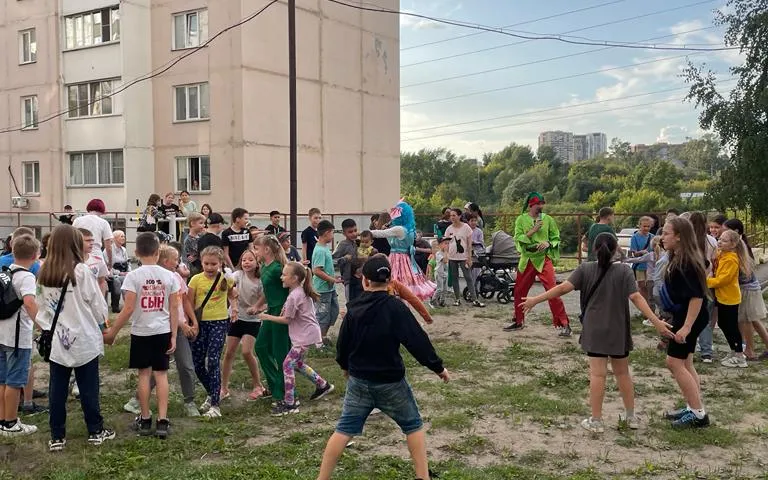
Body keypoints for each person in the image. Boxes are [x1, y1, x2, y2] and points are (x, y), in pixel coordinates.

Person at [521, 233, 674, 433]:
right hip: (618, 329)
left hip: (594, 329)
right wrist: (657, 322)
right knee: (623, 373)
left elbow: (562, 289)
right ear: (616, 249)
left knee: (597, 375)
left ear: (593, 249)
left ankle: (596, 420)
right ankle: (631, 417)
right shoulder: (624, 271)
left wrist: (535, 299)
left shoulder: (585, 269)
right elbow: (636, 297)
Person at [317, 255, 450, 480]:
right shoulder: (395, 307)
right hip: (391, 381)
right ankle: (422, 476)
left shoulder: (353, 309)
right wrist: (437, 368)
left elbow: (343, 344)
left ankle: (322, 478)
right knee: (413, 425)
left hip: (359, 381)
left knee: (344, 429)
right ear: (390, 281)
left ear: (365, 281)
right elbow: (416, 340)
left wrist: (345, 367)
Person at [37, 225, 114, 451]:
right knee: (88, 387)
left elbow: (41, 309)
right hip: (84, 337)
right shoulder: (81, 271)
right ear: (74, 244)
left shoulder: (44, 272)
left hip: (58, 339)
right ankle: (95, 430)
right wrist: (104, 325)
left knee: (57, 390)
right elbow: (97, 303)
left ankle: (57, 436)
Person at [103, 233, 180, 438]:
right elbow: (174, 307)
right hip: (162, 331)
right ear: (157, 253)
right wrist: (174, 335)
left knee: (144, 375)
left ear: (136, 252)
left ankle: (145, 419)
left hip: (141, 332)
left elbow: (128, 308)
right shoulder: (169, 276)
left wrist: (113, 332)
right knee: (161, 375)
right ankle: (162, 420)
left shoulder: (133, 276)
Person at [123, 245, 200, 418]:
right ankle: (137, 400)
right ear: (165, 261)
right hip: (165, 329)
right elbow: (166, 309)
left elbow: (184, 301)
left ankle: (189, 401)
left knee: (185, 365)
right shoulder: (159, 280)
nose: (178, 262)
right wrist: (182, 324)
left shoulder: (176, 277)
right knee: (156, 369)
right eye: (176, 259)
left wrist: (193, 320)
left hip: (179, 329)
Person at [259, 262, 335, 415]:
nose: (281, 277)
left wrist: (266, 317)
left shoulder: (295, 295)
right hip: (307, 334)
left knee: (287, 364)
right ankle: (323, 385)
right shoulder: (298, 292)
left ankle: (290, 403)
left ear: (294, 278)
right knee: (297, 364)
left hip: (305, 336)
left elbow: (287, 320)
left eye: (284, 275)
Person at [659, 217, 711, 428]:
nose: (662, 237)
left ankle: (698, 415)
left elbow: (696, 297)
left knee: (674, 362)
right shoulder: (678, 257)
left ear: (679, 236)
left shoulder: (687, 263)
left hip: (690, 317)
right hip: (685, 315)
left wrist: (687, 326)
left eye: (666, 233)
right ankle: (693, 407)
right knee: (686, 362)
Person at [506, 192, 570, 336]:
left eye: (542, 204)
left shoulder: (548, 219)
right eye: (538, 204)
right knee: (519, 291)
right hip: (527, 259)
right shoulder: (521, 219)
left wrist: (548, 243)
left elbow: (556, 238)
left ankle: (564, 324)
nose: (541, 206)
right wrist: (532, 231)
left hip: (543, 259)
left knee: (553, 290)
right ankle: (518, 321)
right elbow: (518, 238)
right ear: (531, 205)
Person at [187, 247, 237, 418]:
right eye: (206, 263)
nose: (209, 267)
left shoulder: (226, 278)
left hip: (219, 322)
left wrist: (234, 308)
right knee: (197, 363)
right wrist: (193, 323)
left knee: (214, 360)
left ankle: (215, 405)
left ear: (220, 263)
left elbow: (232, 294)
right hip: (200, 324)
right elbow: (189, 303)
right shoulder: (195, 280)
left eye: (213, 264)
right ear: (201, 263)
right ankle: (212, 392)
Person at [0, 235, 40, 436]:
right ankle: (11, 423)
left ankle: (2, 419)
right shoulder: (27, 277)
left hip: (2, 334)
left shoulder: (6, 272)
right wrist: (42, 325)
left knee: (2, 380)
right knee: (15, 381)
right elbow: (29, 302)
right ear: (36, 255)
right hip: (18, 337)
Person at [221, 249, 267, 402]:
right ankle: (224, 388)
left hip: (252, 321)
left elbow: (265, 301)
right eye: (244, 260)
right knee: (229, 353)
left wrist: (257, 308)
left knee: (247, 352)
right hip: (235, 318)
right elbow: (228, 285)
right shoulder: (237, 275)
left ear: (257, 263)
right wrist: (227, 281)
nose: (246, 262)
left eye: (250, 260)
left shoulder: (260, 281)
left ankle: (258, 385)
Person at [254, 236, 291, 412]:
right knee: (261, 346)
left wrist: (290, 307)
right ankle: (275, 383)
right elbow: (267, 290)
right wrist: (258, 305)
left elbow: (293, 285)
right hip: (270, 311)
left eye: (257, 248)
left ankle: (282, 392)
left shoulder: (278, 268)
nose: (255, 252)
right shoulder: (264, 267)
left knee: (280, 352)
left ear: (267, 249)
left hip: (281, 311)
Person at [370, 201, 435, 300]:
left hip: (397, 258)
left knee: (395, 282)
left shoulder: (399, 229)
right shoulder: (411, 229)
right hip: (407, 259)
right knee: (405, 284)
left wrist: (362, 233)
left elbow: (379, 233)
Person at [723, 219, 768, 360]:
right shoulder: (740, 245)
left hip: (747, 289)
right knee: (752, 319)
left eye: (725, 231)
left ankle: (749, 350)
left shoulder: (736, 249)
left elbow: (739, 274)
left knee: (747, 319)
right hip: (749, 287)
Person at [707, 229, 748, 368]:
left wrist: (706, 281)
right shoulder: (722, 255)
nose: (719, 242)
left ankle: (739, 355)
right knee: (723, 324)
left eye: (724, 241)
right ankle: (734, 350)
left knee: (731, 326)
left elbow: (723, 280)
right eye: (720, 239)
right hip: (722, 296)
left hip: (730, 298)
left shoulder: (731, 259)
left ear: (733, 244)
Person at [689, 212, 718, 363]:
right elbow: (715, 260)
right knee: (705, 319)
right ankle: (706, 352)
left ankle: (689, 348)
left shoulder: (688, 240)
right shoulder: (712, 241)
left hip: (690, 282)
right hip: (708, 282)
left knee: (688, 317)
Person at [443, 208, 483, 308]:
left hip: (463, 257)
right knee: (454, 278)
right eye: (451, 216)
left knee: (468, 277)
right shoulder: (449, 229)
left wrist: (469, 258)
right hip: (452, 257)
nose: (452, 217)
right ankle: (457, 299)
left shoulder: (466, 227)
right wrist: (446, 254)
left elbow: (469, 244)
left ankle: (475, 299)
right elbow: (446, 243)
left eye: (454, 215)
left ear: (459, 216)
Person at [312, 220, 343, 343]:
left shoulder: (324, 248)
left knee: (333, 312)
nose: (333, 236)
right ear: (326, 233)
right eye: (332, 233)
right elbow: (316, 270)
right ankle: (319, 341)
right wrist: (332, 279)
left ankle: (323, 336)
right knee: (323, 315)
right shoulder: (320, 250)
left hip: (330, 288)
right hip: (322, 289)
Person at [72, 199, 113, 267]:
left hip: (80, 255)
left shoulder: (77, 220)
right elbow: (108, 246)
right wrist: (110, 262)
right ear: (102, 210)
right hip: (96, 254)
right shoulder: (103, 222)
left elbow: (72, 239)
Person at [333, 219, 359, 304]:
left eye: (355, 230)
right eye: (350, 232)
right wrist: (344, 259)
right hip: (348, 280)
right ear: (344, 233)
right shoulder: (342, 245)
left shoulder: (358, 243)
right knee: (350, 303)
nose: (354, 233)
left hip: (360, 278)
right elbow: (332, 260)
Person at [630, 216, 655, 302]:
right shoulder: (635, 237)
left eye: (648, 226)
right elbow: (633, 253)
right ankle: (645, 303)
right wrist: (641, 252)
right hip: (639, 265)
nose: (646, 228)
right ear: (640, 225)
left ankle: (649, 303)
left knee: (650, 286)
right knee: (641, 286)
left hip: (650, 266)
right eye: (644, 226)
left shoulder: (652, 236)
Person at [79, 229, 108, 296]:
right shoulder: (69, 262)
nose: (92, 243)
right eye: (87, 240)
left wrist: (101, 299)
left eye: (92, 240)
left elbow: (102, 282)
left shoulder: (98, 260)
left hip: (93, 299)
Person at [107, 230, 129, 314]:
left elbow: (128, 262)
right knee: (117, 281)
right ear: (115, 238)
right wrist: (119, 273)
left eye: (124, 236)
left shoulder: (124, 250)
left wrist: (129, 272)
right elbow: (107, 266)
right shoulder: (108, 250)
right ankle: (115, 306)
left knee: (129, 279)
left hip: (124, 272)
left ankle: (128, 305)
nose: (124, 238)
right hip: (112, 274)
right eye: (121, 236)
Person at [429, 237, 450, 308]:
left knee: (445, 289)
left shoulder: (446, 253)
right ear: (440, 245)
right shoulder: (438, 253)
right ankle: (433, 301)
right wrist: (446, 252)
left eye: (448, 243)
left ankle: (442, 301)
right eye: (445, 243)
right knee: (439, 289)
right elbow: (445, 260)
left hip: (445, 273)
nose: (447, 245)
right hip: (439, 273)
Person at [183, 212, 206, 277]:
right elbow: (190, 257)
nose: (204, 225)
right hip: (195, 270)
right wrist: (196, 256)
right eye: (201, 223)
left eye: (204, 223)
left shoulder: (201, 236)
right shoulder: (188, 240)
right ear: (192, 224)